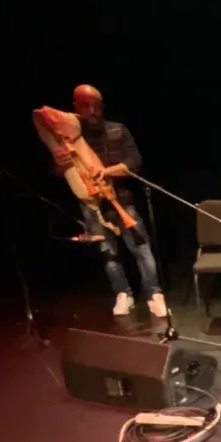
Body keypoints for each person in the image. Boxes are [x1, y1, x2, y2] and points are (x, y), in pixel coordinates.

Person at [53, 84, 167, 317]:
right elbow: (57, 173)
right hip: (93, 206)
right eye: (86, 105)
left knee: (141, 249)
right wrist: (59, 164)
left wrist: (107, 171)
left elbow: (134, 161)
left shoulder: (117, 130)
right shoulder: (67, 139)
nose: (92, 111)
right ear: (75, 107)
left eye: (97, 106)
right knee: (108, 252)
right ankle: (123, 294)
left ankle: (154, 294)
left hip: (122, 201)